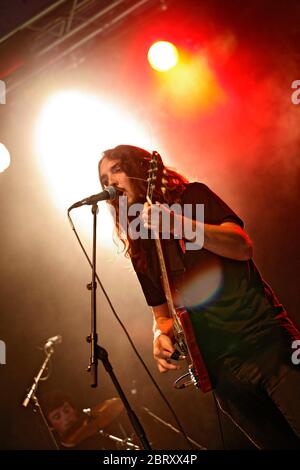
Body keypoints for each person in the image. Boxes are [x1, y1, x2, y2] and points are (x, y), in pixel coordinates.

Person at [98, 144, 300, 449]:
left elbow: (241, 246)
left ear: (141, 169)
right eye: (102, 179)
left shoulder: (193, 197)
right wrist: (159, 337)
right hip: (222, 377)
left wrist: (177, 223)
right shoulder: (139, 243)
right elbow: (161, 315)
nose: (109, 182)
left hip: (265, 344)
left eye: (116, 169)